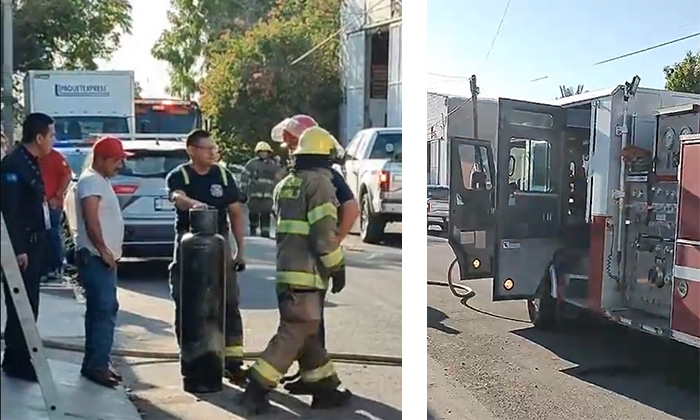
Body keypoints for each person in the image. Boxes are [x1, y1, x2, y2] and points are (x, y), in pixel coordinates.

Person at [242, 126, 352, 414]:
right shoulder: (321, 185)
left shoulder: (286, 183)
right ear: (325, 156)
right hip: (307, 275)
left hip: (287, 272)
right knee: (296, 331)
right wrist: (337, 266)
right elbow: (323, 235)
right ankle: (256, 385)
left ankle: (324, 388)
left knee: (309, 332)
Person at [271, 114, 359, 391]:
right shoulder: (302, 173)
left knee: (307, 323)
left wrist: (334, 243)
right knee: (303, 323)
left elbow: (351, 208)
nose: (288, 147)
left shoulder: (325, 176)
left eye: (292, 140)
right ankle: (313, 377)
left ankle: (311, 379)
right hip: (301, 264)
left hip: (311, 264)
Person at [165, 129, 247, 385]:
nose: (213, 152)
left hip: (219, 239)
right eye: (207, 148)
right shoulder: (180, 175)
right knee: (187, 300)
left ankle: (233, 362)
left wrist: (240, 250)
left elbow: (235, 212)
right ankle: (191, 357)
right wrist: (195, 205)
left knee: (229, 300)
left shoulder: (222, 175)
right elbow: (176, 197)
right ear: (192, 150)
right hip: (188, 240)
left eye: (215, 148)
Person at [0, 113, 56, 381]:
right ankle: (17, 359)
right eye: (51, 136)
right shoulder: (14, 165)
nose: (53, 141)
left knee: (29, 303)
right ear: (39, 137)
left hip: (35, 243)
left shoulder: (30, 162)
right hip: (23, 247)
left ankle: (16, 357)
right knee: (20, 304)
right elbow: (9, 212)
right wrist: (18, 248)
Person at [74, 136, 132, 387]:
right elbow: (91, 219)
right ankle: (97, 365)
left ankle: (96, 362)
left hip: (102, 257)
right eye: (116, 160)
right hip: (96, 258)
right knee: (103, 311)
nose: (119, 164)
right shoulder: (91, 182)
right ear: (100, 159)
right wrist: (103, 249)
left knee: (101, 311)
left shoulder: (99, 180)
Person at [39, 148, 73, 281]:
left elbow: (67, 176)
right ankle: (43, 268)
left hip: (52, 204)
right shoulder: (33, 156)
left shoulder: (55, 157)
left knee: (52, 235)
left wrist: (57, 195)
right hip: (38, 204)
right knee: (41, 236)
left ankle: (55, 267)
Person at [241, 141, 281, 237]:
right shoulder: (251, 164)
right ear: (257, 152)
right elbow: (244, 177)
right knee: (253, 212)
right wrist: (243, 191)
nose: (263, 153)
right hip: (254, 194)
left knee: (266, 213)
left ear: (268, 153)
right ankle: (253, 228)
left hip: (268, 194)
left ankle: (265, 230)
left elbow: (278, 178)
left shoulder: (273, 165)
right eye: (261, 151)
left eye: (265, 152)